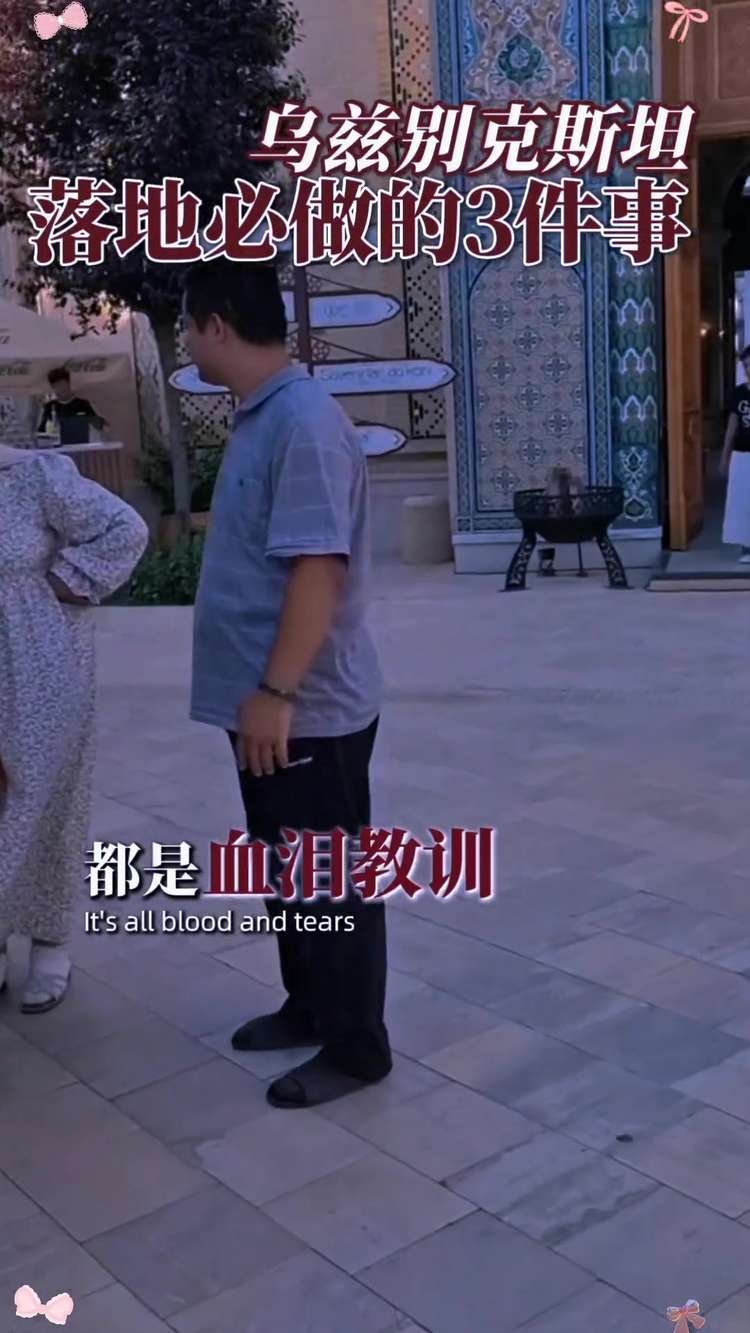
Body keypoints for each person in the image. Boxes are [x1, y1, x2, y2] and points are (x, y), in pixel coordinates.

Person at [184, 258, 391, 1109]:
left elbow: (317, 567)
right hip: (268, 707)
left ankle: (357, 1047)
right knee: (290, 870)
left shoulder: (302, 422)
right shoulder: (263, 416)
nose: (186, 343)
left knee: (329, 877)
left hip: (305, 709)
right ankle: (309, 1005)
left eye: (188, 326)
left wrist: (277, 693)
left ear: (217, 326)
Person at [0, 445, 148, 1011]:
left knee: (44, 800)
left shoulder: (33, 476)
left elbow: (124, 528)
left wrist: (62, 584)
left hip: (38, 664)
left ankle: (50, 941)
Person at [721, 345, 750, 563]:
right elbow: (732, 428)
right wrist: (725, 457)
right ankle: (747, 546)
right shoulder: (738, 394)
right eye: (746, 366)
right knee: (742, 501)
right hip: (742, 455)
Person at [38, 367, 106, 435]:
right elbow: (41, 432)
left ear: (68, 383)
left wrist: (101, 425)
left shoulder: (83, 404)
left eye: (62, 385)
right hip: (58, 440)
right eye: (56, 386)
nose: (60, 389)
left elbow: (100, 425)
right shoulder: (49, 406)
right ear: (53, 388)